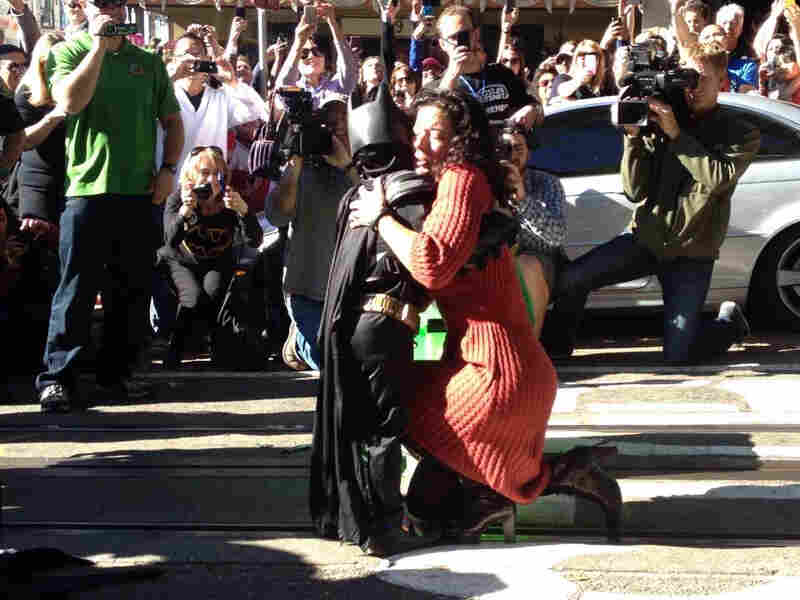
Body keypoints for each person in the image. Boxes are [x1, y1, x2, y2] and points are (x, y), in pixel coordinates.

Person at [349, 88, 622, 549]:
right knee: (433, 473)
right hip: (496, 364)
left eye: (436, 134)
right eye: (417, 132)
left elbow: (432, 263)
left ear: (462, 140)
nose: (421, 143)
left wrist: (380, 219)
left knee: (401, 408)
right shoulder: (458, 182)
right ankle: (504, 492)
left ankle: (545, 479)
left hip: (496, 374)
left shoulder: (462, 178)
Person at [548, 43, 760, 365]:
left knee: (679, 355)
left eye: (701, 78)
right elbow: (634, 191)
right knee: (571, 280)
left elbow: (719, 178)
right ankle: (557, 348)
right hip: (646, 240)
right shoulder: (660, 118)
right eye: (686, 77)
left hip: (691, 254)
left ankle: (729, 324)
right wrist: (633, 136)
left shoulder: (740, 131)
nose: (691, 87)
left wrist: (676, 135)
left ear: (722, 81)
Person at [36, 0, 184, 413]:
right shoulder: (68, 51)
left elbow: (172, 121)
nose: (111, 9)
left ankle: (117, 375)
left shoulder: (148, 62)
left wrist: (169, 168)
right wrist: (99, 48)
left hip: (138, 192)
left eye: (116, 2)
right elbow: (70, 102)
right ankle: (57, 378)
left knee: (130, 291)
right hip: (86, 190)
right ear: (86, 7)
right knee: (75, 289)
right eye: (101, 2)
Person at [310, 83, 438, 557]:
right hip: (390, 326)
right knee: (385, 427)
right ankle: (382, 525)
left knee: (363, 425)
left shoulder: (356, 197)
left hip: (356, 326)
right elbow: (429, 264)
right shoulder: (415, 191)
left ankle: (368, 520)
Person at [264, 96, 357, 371]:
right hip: (307, 289)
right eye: (330, 126)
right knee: (328, 363)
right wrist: (295, 165)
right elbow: (277, 215)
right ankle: (298, 344)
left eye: (344, 126)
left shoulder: (364, 168)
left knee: (354, 359)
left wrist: (347, 166)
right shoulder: (301, 169)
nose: (337, 132)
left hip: (350, 290)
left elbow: (374, 204)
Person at [159, 146, 262, 368]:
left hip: (216, 260)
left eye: (217, 174)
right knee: (192, 297)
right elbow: (170, 241)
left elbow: (254, 241)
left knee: (214, 293)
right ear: (192, 175)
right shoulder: (178, 198)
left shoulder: (229, 200)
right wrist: (184, 213)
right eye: (205, 173)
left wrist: (244, 211)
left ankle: (218, 348)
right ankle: (175, 351)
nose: (212, 180)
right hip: (181, 259)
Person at [500, 122, 567, 339]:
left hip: (539, 258)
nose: (512, 155)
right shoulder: (485, 183)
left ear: (529, 152)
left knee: (525, 264)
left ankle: (530, 349)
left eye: (518, 148)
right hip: (498, 258)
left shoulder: (547, 183)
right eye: (506, 148)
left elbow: (556, 236)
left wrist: (523, 199)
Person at [432, 5, 540, 130]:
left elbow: (536, 109)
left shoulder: (502, 74)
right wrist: (452, 74)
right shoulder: (435, 86)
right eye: (452, 37)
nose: (458, 42)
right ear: (443, 44)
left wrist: (532, 110)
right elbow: (434, 120)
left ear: (476, 34)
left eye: (464, 35)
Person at [14, 32, 68, 243]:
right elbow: (23, 141)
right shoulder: (26, 93)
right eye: (49, 63)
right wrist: (53, 117)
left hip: (71, 178)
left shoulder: (76, 87)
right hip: (39, 181)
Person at [275, 2, 357, 109]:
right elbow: (283, 86)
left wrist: (332, 22)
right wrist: (299, 42)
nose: (311, 56)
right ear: (297, 62)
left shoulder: (338, 86)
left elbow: (348, 66)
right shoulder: (294, 89)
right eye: (304, 53)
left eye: (317, 51)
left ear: (325, 58)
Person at [550, 39, 613, 104]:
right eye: (581, 54)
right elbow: (562, 91)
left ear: (599, 61)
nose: (584, 58)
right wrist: (579, 81)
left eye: (592, 55)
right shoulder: (563, 78)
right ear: (575, 59)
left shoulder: (602, 85)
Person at [716, 3, 757, 93]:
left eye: (734, 23)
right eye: (724, 23)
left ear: (741, 29)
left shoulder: (748, 64)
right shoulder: (707, 58)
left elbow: (744, 96)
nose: (728, 27)